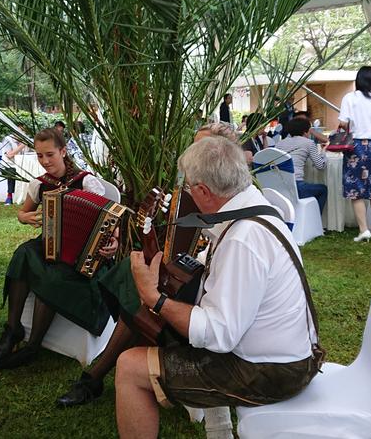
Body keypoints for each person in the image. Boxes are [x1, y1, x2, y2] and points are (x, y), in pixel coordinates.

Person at [114, 137, 320, 439]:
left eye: (188, 187)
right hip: (286, 355)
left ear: (202, 191)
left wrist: (153, 297)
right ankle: (220, 431)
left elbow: (217, 334)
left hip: (272, 372)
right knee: (177, 328)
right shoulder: (253, 205)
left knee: (129, 367)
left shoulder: (243, 239)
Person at [54, 123, 238, 408]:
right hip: (179, 280)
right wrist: (148, 226)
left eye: (200, 149)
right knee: (133, 274)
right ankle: (118, 366)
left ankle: (97, 375)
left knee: (141, 299)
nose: (191, 155)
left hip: (209, 295)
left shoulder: (230, 201)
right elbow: (164, 253)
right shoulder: (187, 193)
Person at [0, 128, 119, 369]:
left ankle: (33, 346)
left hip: (84, 254)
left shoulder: (86, 181)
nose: (45, 161)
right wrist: (25, 218)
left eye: (50, 154)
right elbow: (23, 213)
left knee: (53, 277)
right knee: (23, 253)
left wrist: (114, 241)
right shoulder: (39, 185)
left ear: (63, 151)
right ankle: (13, 328)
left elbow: (109, 218)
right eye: (40, 156)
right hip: (50, 246)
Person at [338, 66, 371, 242]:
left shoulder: (350, 98)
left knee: (356, 189)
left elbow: (343, 124)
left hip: (357, 146)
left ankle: (363, 230)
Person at [276, 117, 328, 213]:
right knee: (323, 189)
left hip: (278, 187)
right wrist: (324, 151)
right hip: (297, 187)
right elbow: (321, 166)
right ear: (305, 132)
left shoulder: (279, 143)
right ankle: (315, 222)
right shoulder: (309, 143)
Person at [1, 127, 28, 205]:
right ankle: (9, 196)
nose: (21, 132)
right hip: (9, 165)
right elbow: (10, 155)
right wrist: (22, 145)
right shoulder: (7, 140)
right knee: (12, 172)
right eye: (19, 130)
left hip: (23, 164)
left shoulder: (25, 140)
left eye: (23, 131)